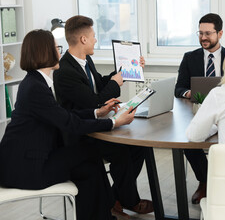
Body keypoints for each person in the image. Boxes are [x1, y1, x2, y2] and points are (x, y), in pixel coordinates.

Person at [0, 29, 136, 220]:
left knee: (89, 163)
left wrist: (97, 112)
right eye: (57, 48)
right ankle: (105, 213)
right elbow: (69, 123)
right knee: (89, 155)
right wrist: (113, 122)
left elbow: (62, 114)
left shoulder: (36, 82)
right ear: (45, 52)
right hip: (27, 169)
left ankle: (104, 213)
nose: (60, 53)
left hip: (31, 160)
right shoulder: (35, 87)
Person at [53, 15, 153, 218]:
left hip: (95, 125)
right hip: (81, 135)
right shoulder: (64, 71)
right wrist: (115, 84)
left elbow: (100, 83)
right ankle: (128, 200)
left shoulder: (85, 60)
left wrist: (126, 71)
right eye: (93, 36)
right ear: (83, 39)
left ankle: (118, 197)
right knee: (122, 152)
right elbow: (93, 100)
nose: (95, 40)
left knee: (139, 148)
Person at [174, 13, 225, 204]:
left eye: (208, 33)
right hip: (199, 110)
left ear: (220, 33)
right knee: (189, 140)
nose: (203, 37)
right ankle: (205, 181)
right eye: (200, 33)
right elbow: (178, 89)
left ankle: (224, 182)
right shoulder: (190, 58)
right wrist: (190, 93)